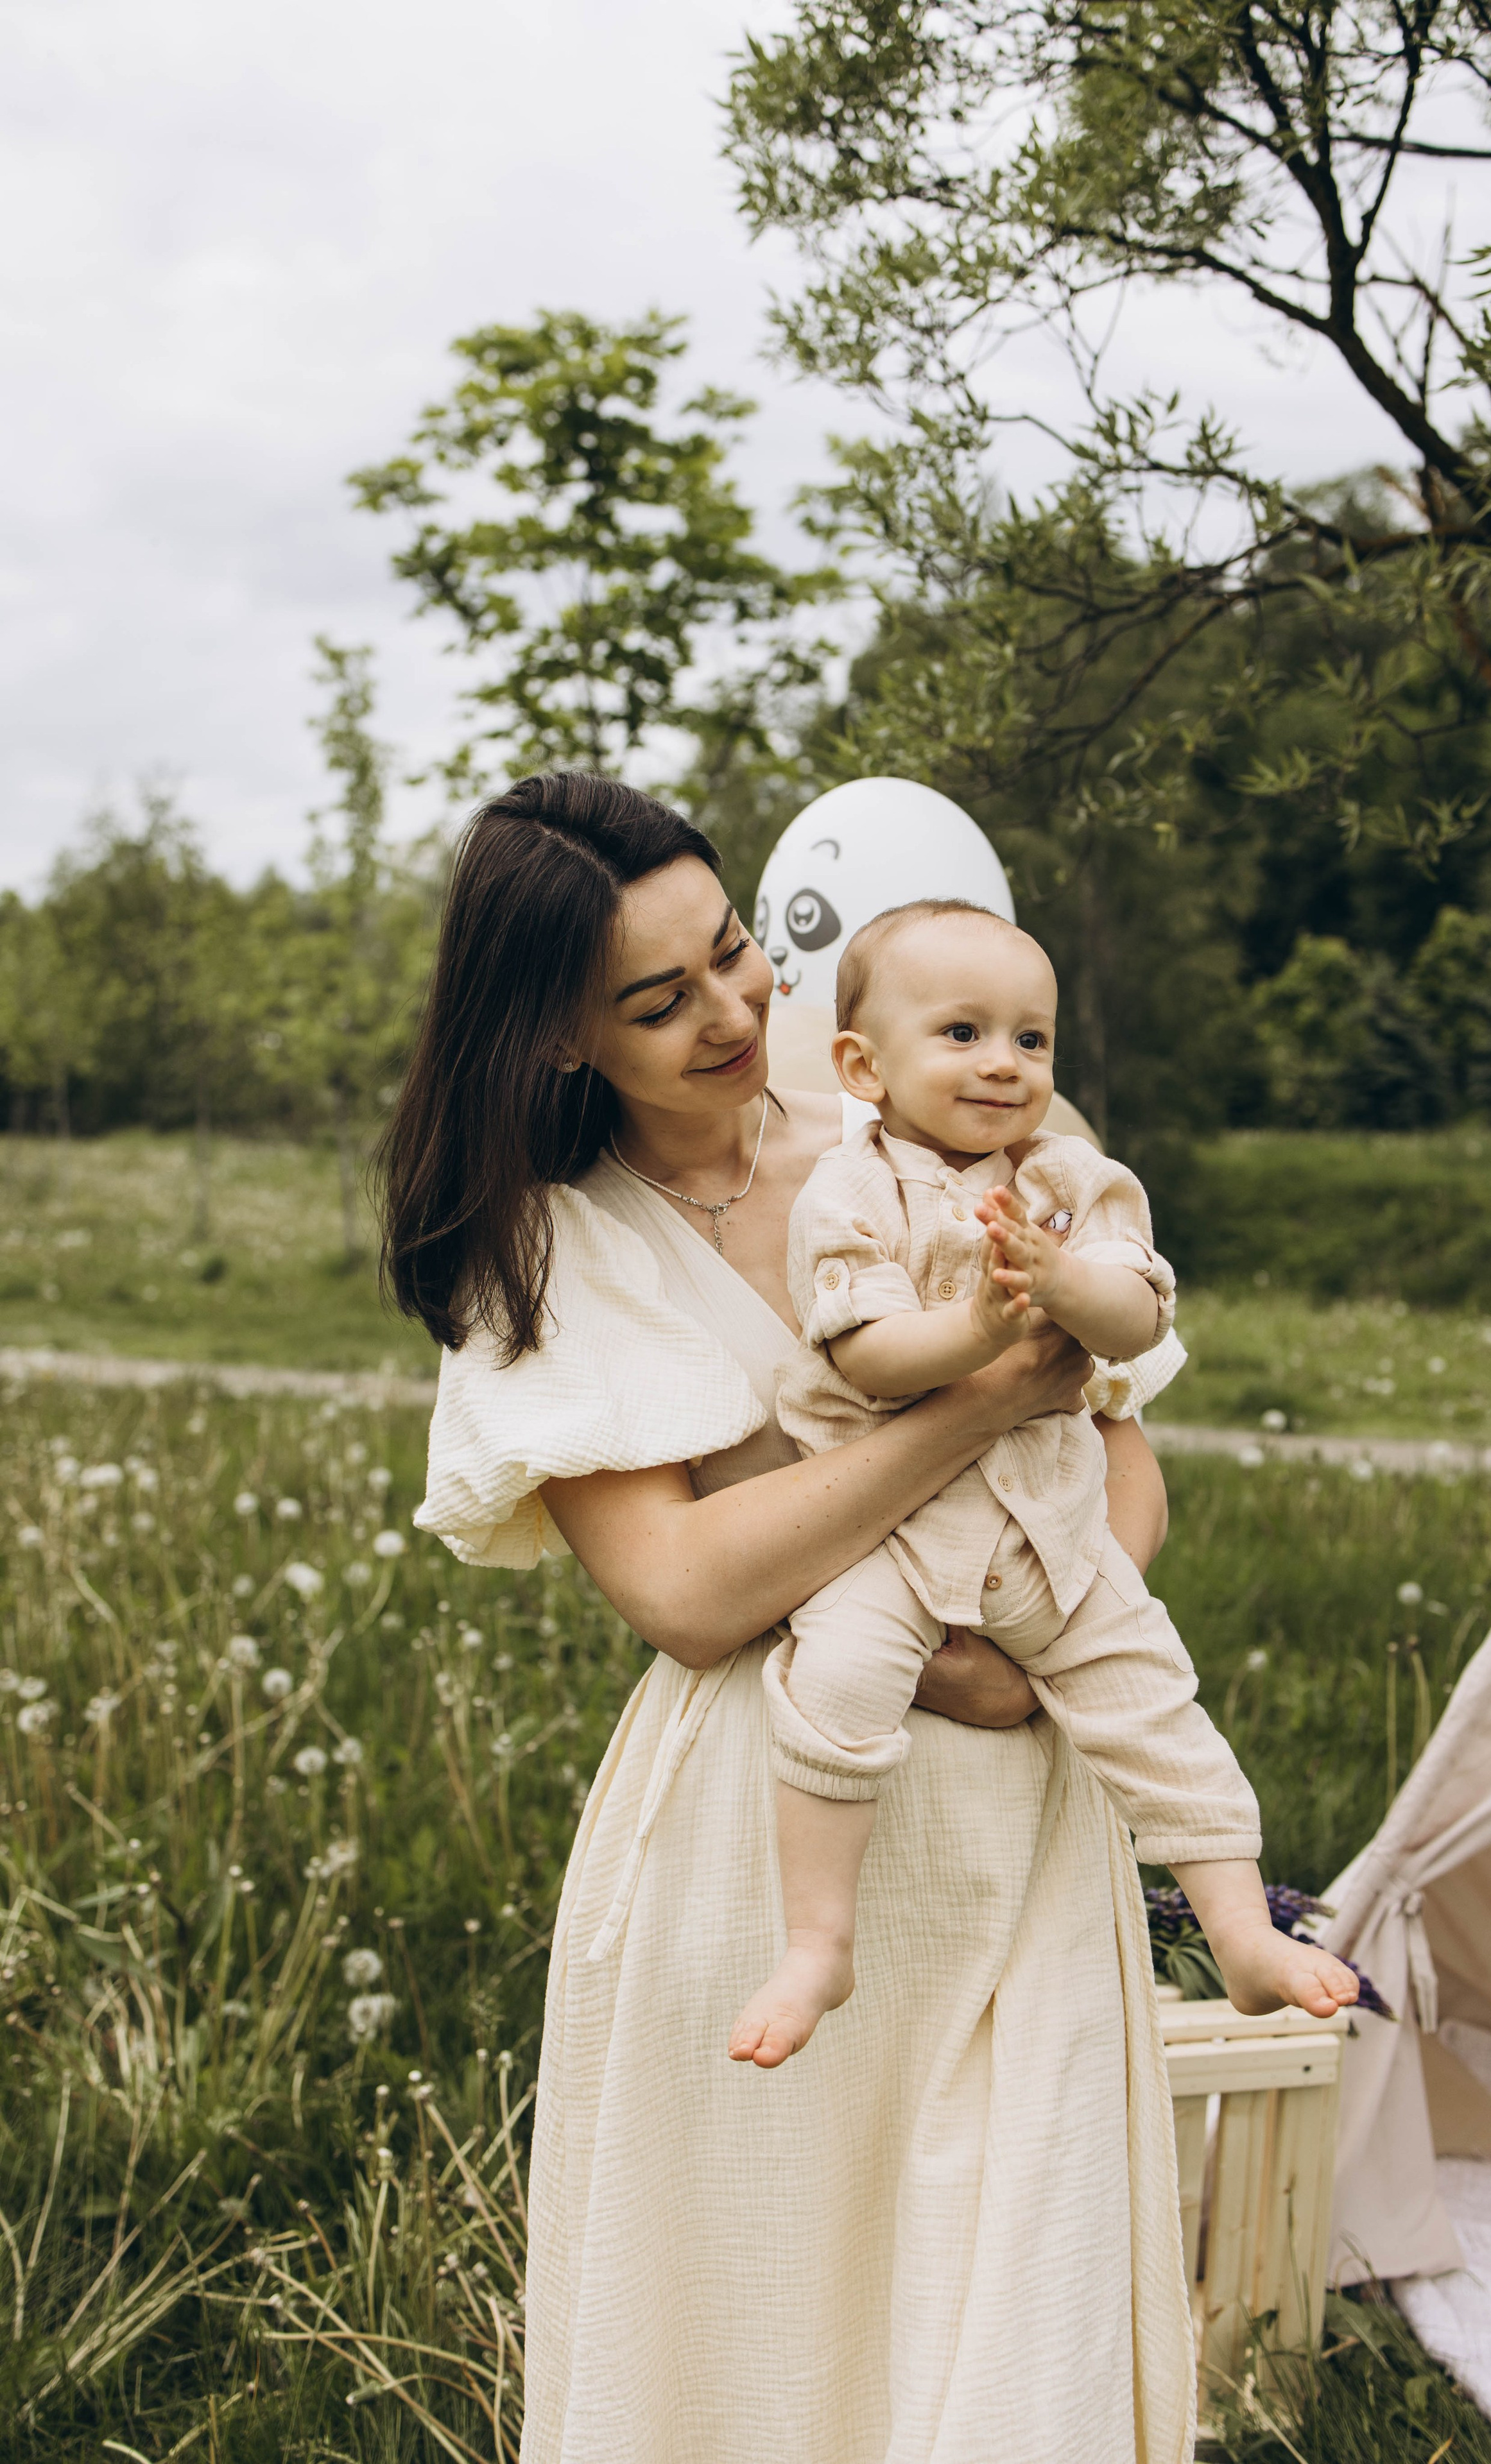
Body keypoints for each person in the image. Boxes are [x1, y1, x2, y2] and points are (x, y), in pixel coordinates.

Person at [391, 772, 1347, 2464]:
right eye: (659, 999)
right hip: (764, 1842)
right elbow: (687, 1592)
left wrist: (1041, 1659)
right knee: (766, 2344)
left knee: (1018, 2329)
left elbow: (1123, 1466)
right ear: (556, 1039)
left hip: (1021, 1827)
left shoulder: (926, 1110)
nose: (737, 1009)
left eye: (738, 953)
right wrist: (969, 1416)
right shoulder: (546, 1251)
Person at [734, 898, 1355, 2067]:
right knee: (839, 1678)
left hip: (1050, 1531)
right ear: (864, 1065)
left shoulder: (1075, 1182)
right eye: (962, 1033)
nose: (1004, 1065)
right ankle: (819, 1941)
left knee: (1154, 1696)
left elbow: (1131, 1322)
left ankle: (1239, 1931)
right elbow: (866, 1356)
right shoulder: (848, 1195)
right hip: (896, 1539)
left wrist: (1065, 1280)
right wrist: (978, 1323)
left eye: (1031, 1040)